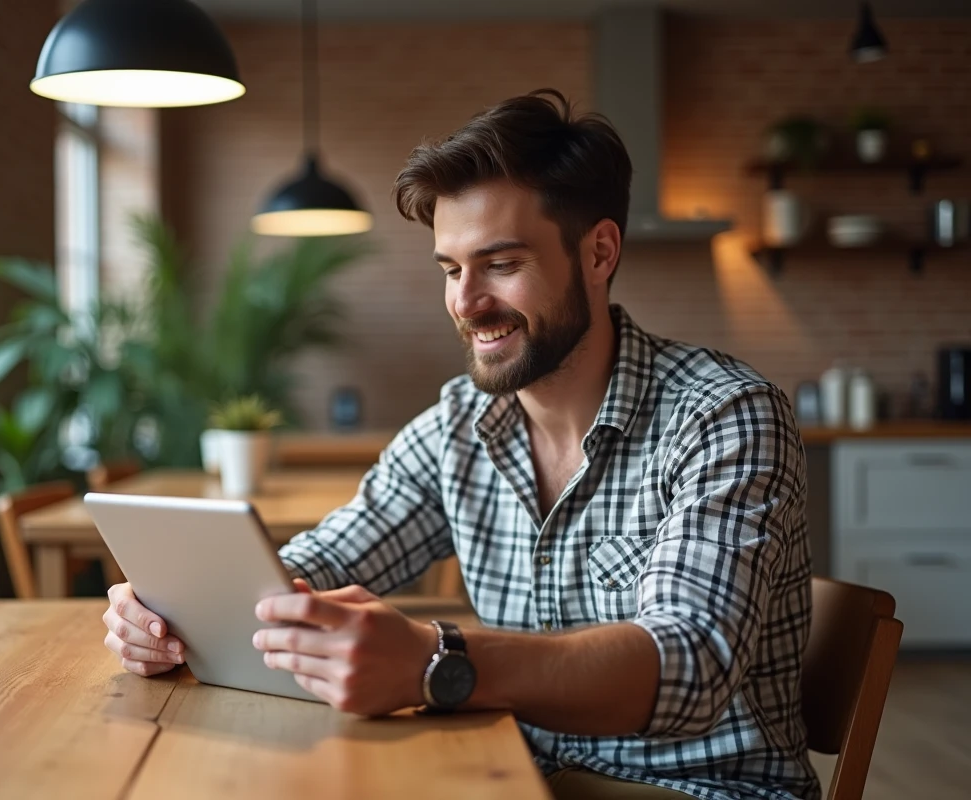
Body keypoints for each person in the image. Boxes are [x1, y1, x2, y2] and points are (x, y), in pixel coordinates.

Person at [101, 89, 818, 800]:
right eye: (450, 269)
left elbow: (690, 664)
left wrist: (435, 659)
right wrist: (179, 615)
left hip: (704, 791)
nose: (466, 303)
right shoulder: (458, 425)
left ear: (599, 252)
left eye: (501, 264)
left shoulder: (724, 415)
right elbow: (325, 559)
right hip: (515, 779)